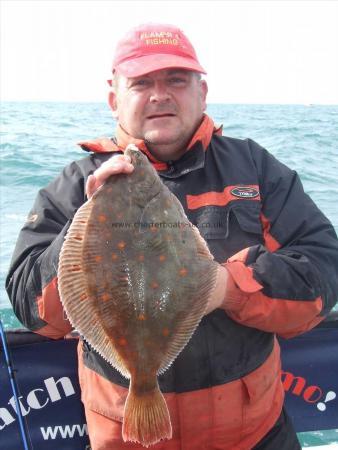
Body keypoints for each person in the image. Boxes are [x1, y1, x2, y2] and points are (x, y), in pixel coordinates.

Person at [6, 23, 338, 450]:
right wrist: (86, 223)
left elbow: (323, 275)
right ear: (115, 100)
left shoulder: (255, 168)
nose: (159, 94)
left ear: (202, 93)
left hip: (252, 436)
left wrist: (225, 288)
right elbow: (34, 312)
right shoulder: (77, 185)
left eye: (176, 80)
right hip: (124, 437)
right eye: (142, 82)